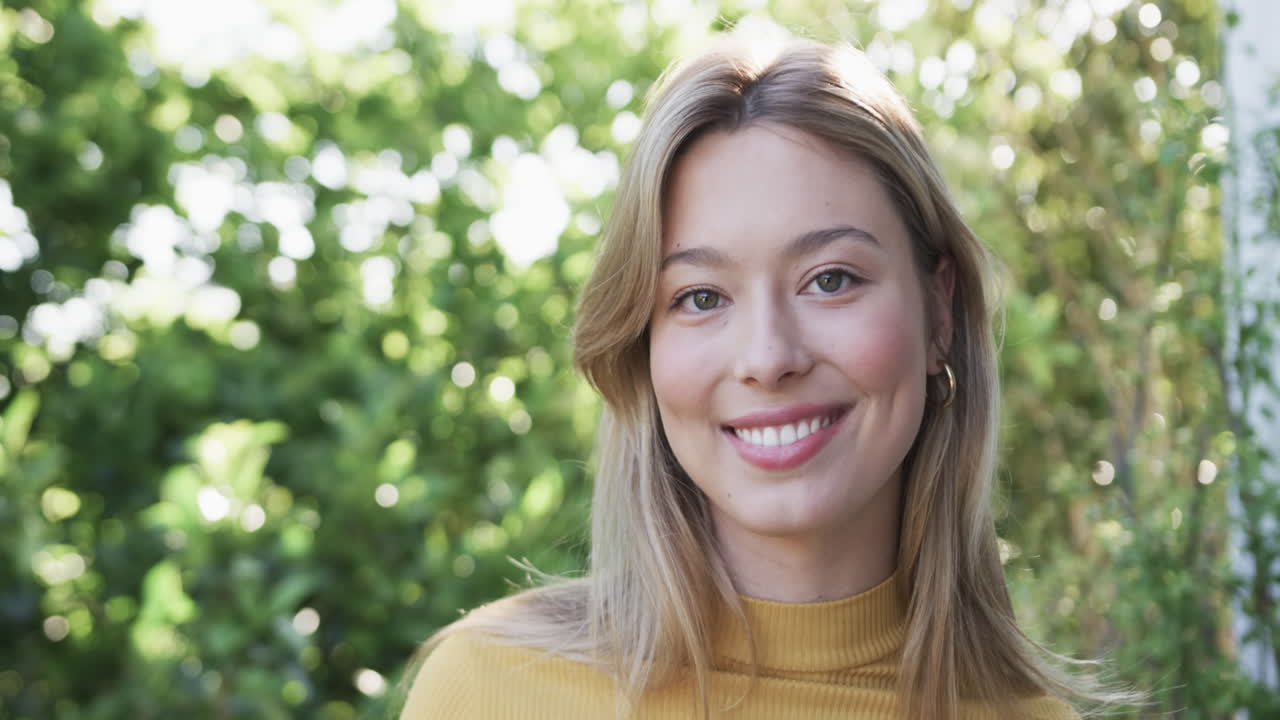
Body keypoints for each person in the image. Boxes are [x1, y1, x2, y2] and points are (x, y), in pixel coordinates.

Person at [400, 27, 1113, 720]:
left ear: (939, 313)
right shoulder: (489, 690)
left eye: (830, 279)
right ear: (642, 346)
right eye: (701, 297)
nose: (769, 359)